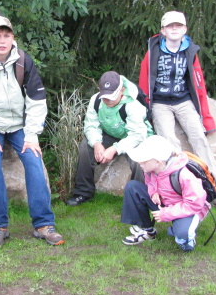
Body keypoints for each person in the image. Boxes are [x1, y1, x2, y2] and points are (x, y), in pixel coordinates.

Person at [0, 15, 64, 248]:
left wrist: (32, 135)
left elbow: (36, 100)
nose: (2, 41)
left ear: (12, 38)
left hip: (20, 126)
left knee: (34, 159)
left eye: (6, 35)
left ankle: (43, 225)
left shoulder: (23, 61)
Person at [139, 11, 216, 209]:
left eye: (178, 26)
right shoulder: (153, 51)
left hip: (183, 101)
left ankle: (213, 186)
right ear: (163, 30)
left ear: (185, 29)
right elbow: (144, 81)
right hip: (161, 103)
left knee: (199, 138)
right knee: (170, 143)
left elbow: (198, 83)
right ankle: (181, 187)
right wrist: (146, 109)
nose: (174, 29)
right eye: (170, 26)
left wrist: (205, 117)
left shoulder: (189, 51)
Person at [66, 71, 154, 206]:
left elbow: (137, 135)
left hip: (136, 138)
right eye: (105, 97)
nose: (109, 101)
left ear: (122, 90)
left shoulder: (133, 104)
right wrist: (96, 143)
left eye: (112, 97)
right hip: (111, 134)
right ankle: (83, 192)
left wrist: (114, 149)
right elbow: (91, 125)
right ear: (99, 90)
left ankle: (140, 197)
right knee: (85, 146)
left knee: (138, 161)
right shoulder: (95, 100)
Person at [120, 135, 209, 251]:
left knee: (182, 236)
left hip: (185, 208)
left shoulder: (184, 175)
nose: (139, 163)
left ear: (157, 162)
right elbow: (150, 183)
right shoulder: (149, 169)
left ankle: (187, 239)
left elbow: (194, 204)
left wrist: (166, 214)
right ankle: (147, 230)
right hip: (164, 201)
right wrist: (153, 192)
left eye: (143, 161)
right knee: (132, 187)